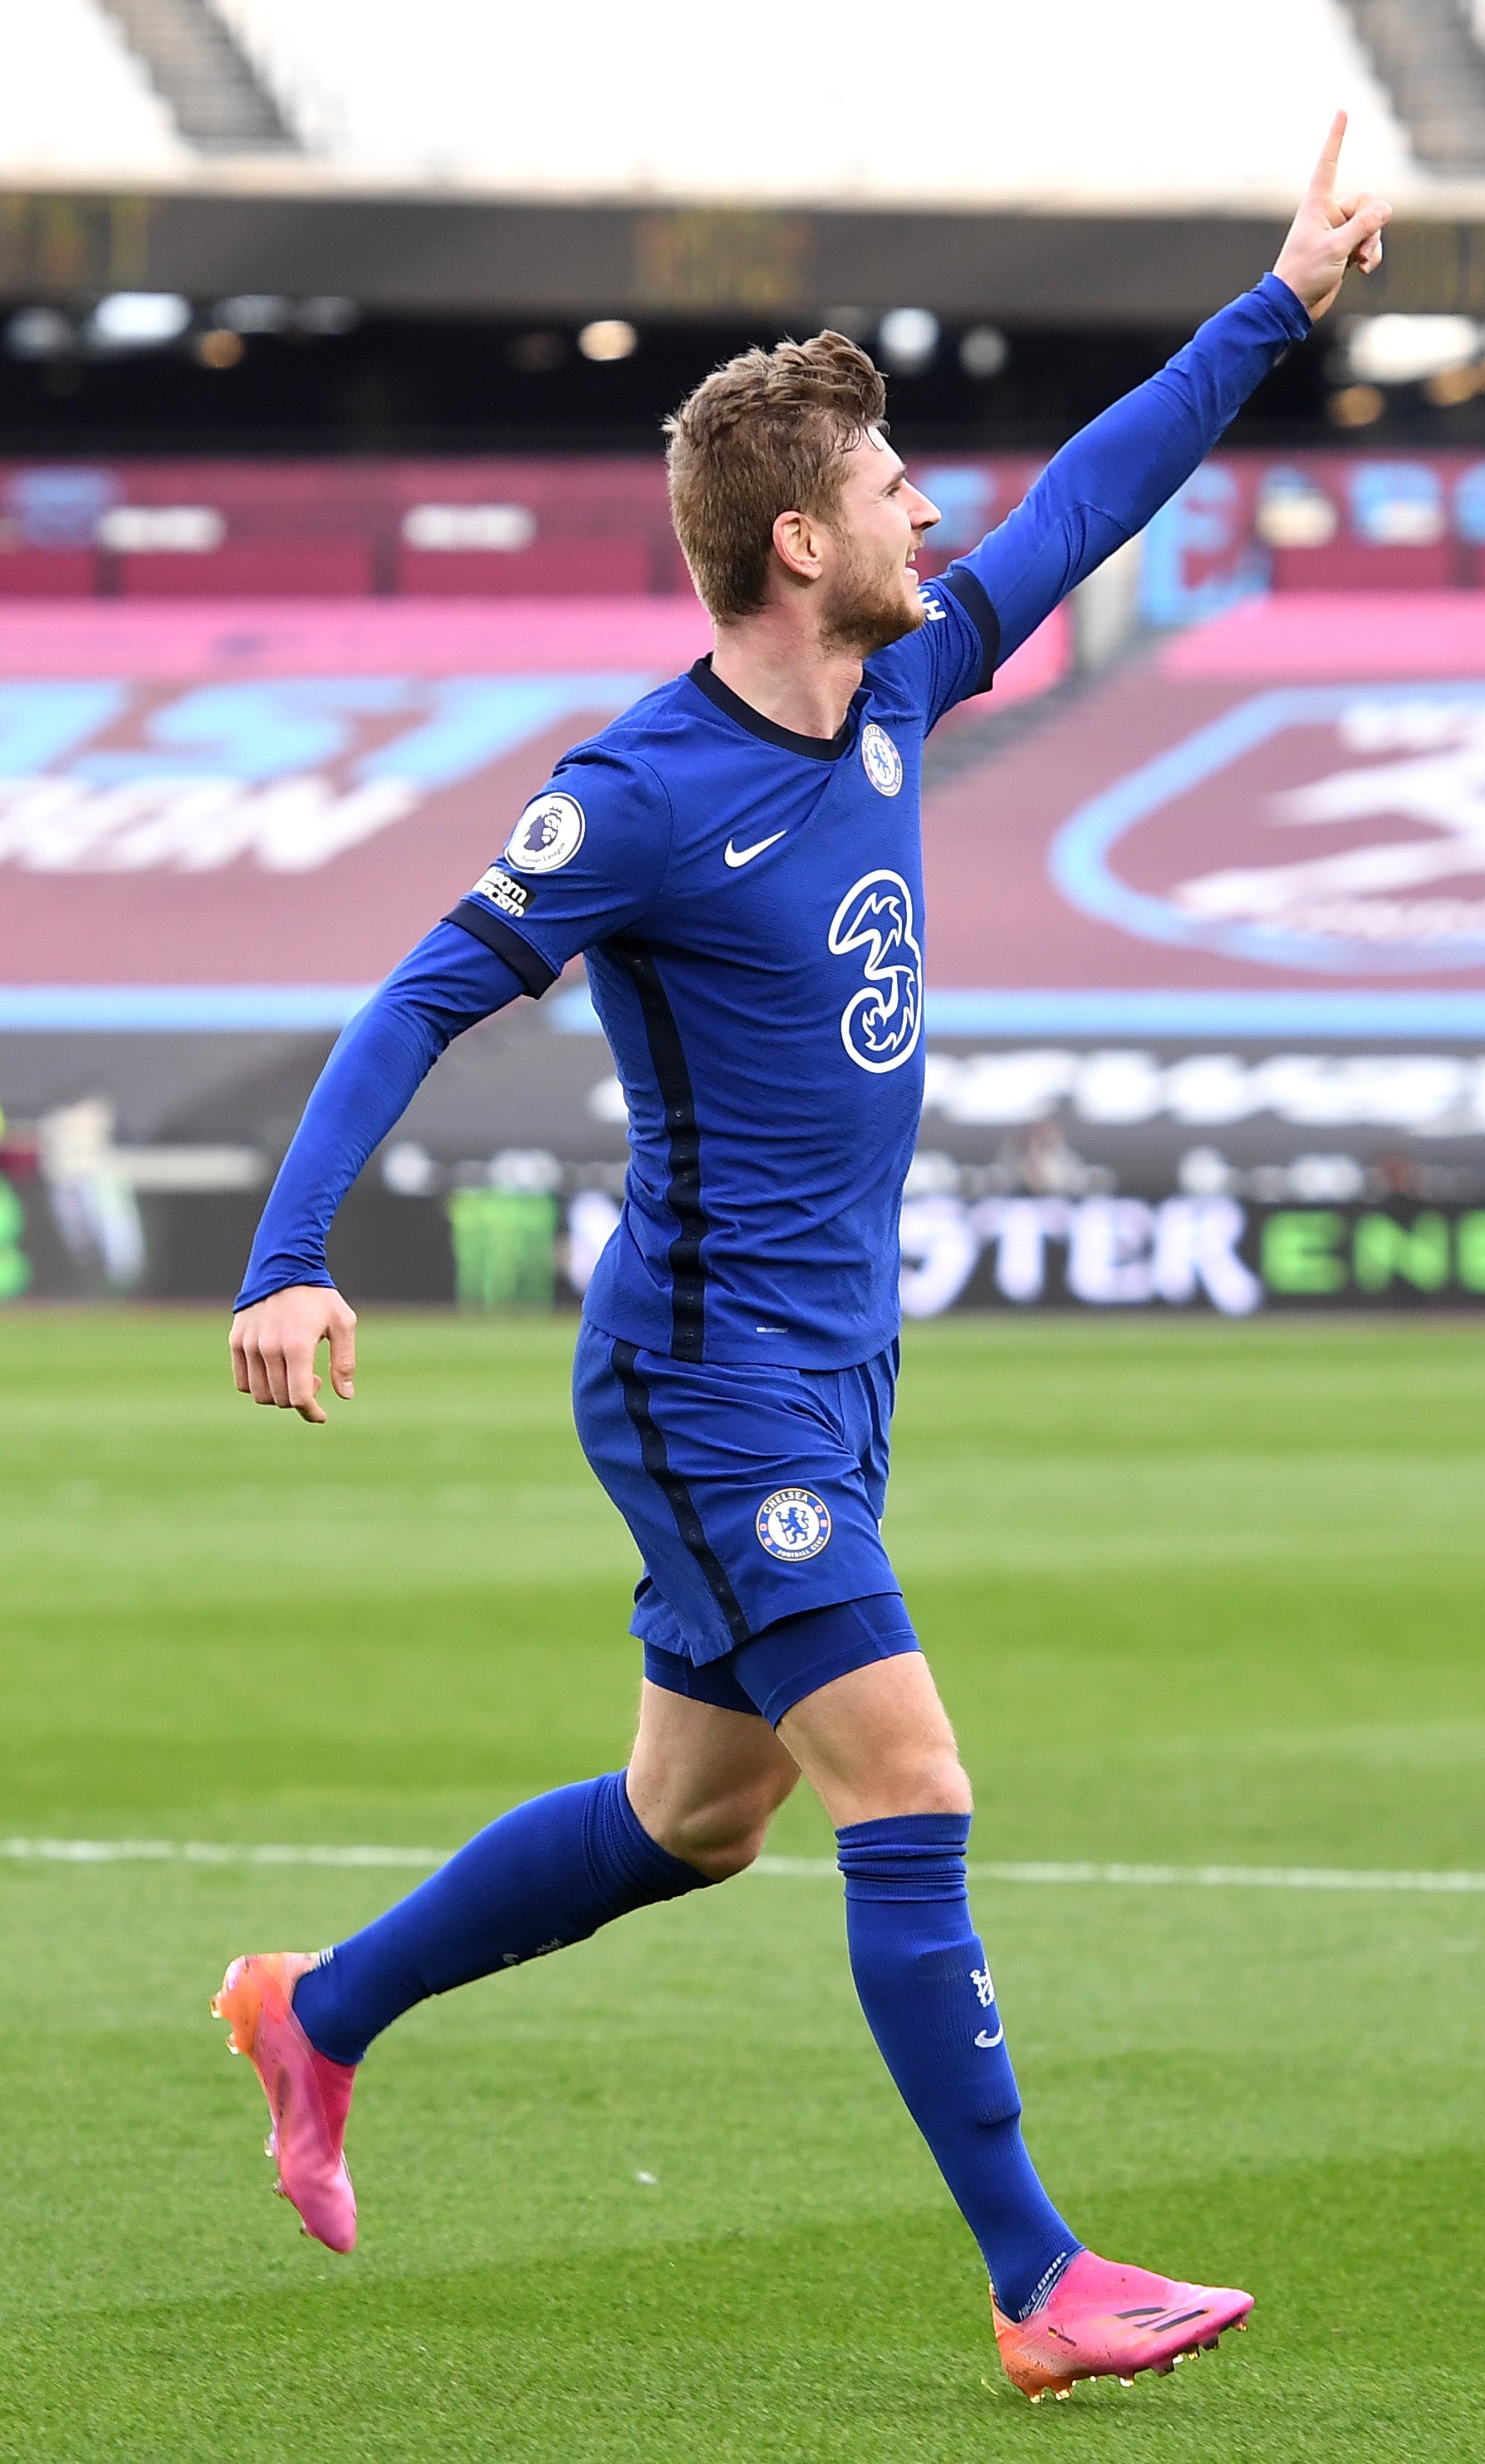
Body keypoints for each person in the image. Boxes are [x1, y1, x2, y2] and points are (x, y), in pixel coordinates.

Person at [213, 119, 1388, 2402]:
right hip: (702, 1376)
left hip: (829, 1368)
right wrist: (290, 1253)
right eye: (884, 490)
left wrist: (1282, 300)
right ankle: (1039, 2278)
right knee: (907, 1781)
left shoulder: (899, 689)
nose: (926, 513)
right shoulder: (639, 790)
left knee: (692, 1820)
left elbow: (1081, 503)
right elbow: (422, 994)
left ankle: (314, 2010)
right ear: (792, 539)